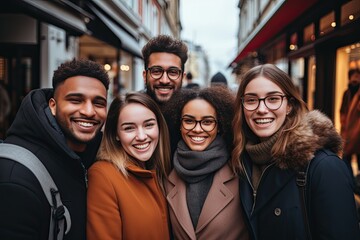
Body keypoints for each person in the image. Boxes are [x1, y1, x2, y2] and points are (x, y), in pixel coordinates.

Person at [231, 63, 360, 239]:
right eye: (251, 100)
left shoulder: (324, 166)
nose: (261, 109)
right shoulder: (241, 162)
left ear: (290, 105)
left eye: (273, 99)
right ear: (242, 107)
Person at [0, 59, 109, 239]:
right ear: (53, 105)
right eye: (76, 100)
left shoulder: (94, 158)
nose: (89, 111)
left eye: (99, 103)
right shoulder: (15, 177)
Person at [163, 86, 249, 239]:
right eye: (189, 121)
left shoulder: (240, 169)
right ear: (179, 125)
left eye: (207, 122)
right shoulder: (166, 172)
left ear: (219, 126)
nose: (197, 129)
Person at [87, 92, 171, 239]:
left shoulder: (159, 171)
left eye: (149, 125)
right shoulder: (103, 175)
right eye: (129, 128)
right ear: (116, 134)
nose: (142, 136)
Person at [142, 34, 188, 108]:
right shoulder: (129, 113)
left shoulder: (191, 114)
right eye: (156, 71)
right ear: (145, 76)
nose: (164, 81)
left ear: (182, 77)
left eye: (173, 72)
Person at [340, 68, 360, 177]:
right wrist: (343, 124)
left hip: (358, 130)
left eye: (357, 76)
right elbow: (342, 110)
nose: (355, 79)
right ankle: (351, 180)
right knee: (346, 157)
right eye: (354, 76)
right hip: (347, 130)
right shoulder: (347, 93)